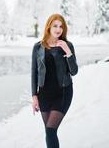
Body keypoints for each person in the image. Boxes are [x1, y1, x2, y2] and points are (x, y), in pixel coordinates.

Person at [31, 13, 78, 148]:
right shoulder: (38, 47)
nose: (58, 29)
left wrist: (68, 52)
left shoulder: (67, 45)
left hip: (63, 93)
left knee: (51, 131)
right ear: (48, 27)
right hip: (44, 95)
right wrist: (34, 96)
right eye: (55, 26)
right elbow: (34, 73)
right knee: (49, 131)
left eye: (61, 26)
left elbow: (74, 72)